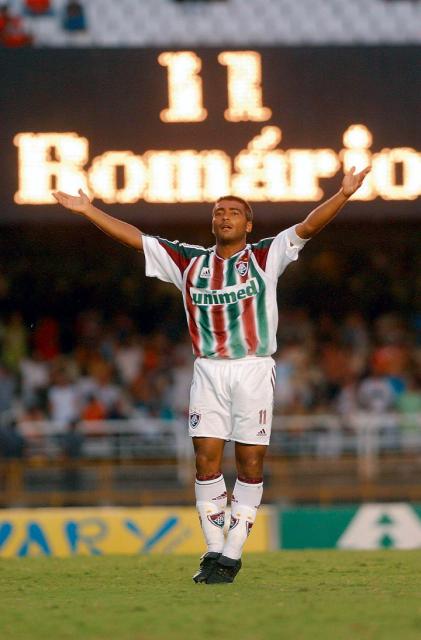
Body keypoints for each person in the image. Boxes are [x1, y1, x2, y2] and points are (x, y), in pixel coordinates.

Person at [53, 165, 370, 583]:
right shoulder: (188, 261)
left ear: (248, 224)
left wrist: (343, 194)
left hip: (253, 368)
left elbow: (308, 226)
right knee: (205, 461)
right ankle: (214, 550)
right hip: (207, 370)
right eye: (219, 211)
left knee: (250, 463)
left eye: (234, 212)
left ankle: (233, 552)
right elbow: (136, 239)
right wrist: (88, 210)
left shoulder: (264, 256)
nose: (225, 216)